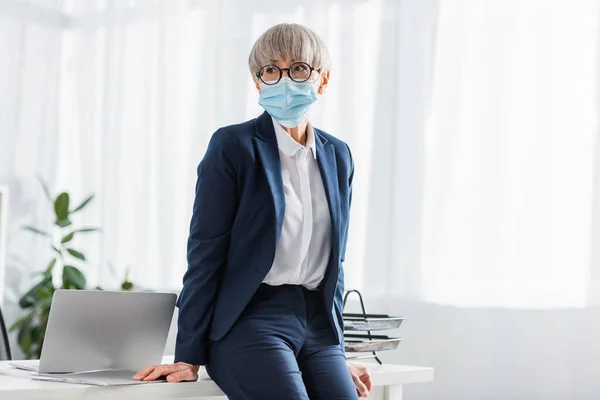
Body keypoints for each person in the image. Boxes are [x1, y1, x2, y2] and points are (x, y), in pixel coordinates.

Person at [133, 23, 370, 399]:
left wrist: (338, 349)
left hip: (315, 325)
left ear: (322, 80)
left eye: (298, 69)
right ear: (259, 83)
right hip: (249, 319)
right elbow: (205, 253)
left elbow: (334, 262)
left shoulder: (337, 155)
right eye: (271, 70)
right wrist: (188, 354)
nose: (284, 80)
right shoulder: (234, 146)